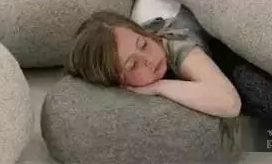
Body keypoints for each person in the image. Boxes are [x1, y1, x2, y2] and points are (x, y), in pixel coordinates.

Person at [67, 10, 242, 156]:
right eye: (133, 65)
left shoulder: (177, 46)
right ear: (119, 83)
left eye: (143, 45)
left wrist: (159, 87)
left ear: (145, 34)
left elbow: (230, 103)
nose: (149, 60)